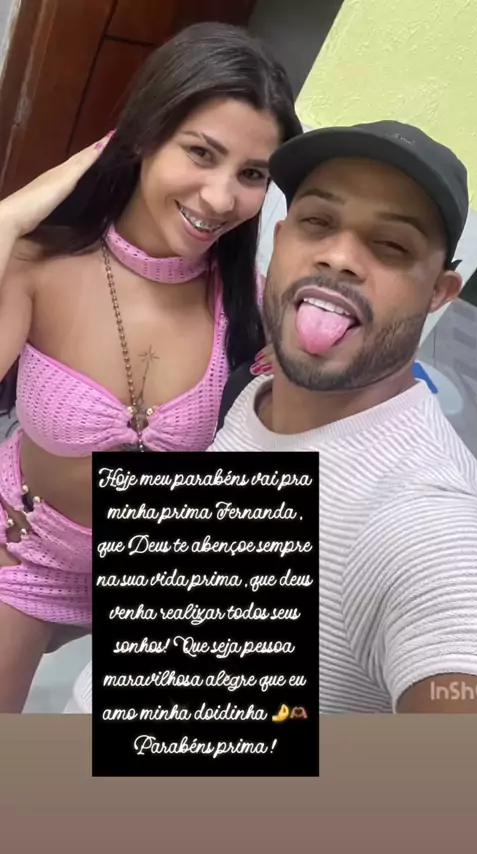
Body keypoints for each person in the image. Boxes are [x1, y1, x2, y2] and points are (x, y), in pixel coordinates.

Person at [67, 120, 477, 716]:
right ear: (281, 239)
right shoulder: (255, 394)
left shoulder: (427, 520)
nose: (339, 256)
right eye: (317, 222)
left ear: (439, 292)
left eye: (391, 246)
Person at [0, 21, 302, 712]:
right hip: (28, 548)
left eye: (252, 175)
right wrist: (7, 221)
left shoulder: (248, 303)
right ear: (143, 135)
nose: (221, 198)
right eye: (201, 152)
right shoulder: (39, 266)